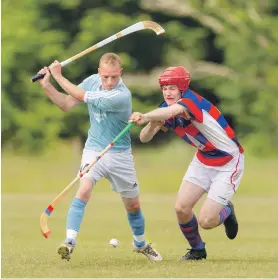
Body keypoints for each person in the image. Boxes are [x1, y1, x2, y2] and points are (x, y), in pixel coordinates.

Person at [37, 53, 162, 262]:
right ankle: (69, 242)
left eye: (114, 77)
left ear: (120, 73)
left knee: (133, 205)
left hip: (120, 154)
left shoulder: (122, 95)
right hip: (94, 149)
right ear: (99, 73)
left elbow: (82, 96)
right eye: (106, 77)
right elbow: (67, 103)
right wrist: (47, 85)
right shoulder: (92, 82)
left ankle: (140, 244)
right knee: (84, 189)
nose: (110, 82)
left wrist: (58, 77)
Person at [129, 66, 244, 260]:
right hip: (203, 159)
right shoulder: (164, 109)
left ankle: (227, 210)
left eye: (172, 88)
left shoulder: (190, 102)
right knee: (181, 208)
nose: (167, 93)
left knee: (206, 221)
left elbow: (173, 111)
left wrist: (147, 115)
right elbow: (144, 138)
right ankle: (198, 250)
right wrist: (151, 122)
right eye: (164, 89)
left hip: (228, 161)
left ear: (182, 88)